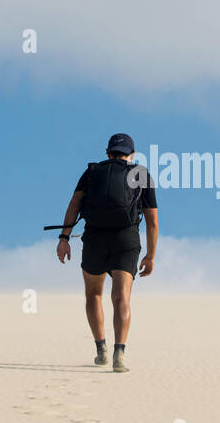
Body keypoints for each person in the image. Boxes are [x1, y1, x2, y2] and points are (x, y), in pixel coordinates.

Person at [55, 133, 158, 372]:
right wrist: (150, 255)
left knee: (94, 295)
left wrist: (64, 238)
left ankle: (100, 348)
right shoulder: (140, 174)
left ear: (107, 152)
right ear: (131, 154)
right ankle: (119, 353)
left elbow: (74, 204)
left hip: (95, 238)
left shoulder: (92, 172)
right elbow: (152, 221)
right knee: (121, 297)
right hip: (126, 240)